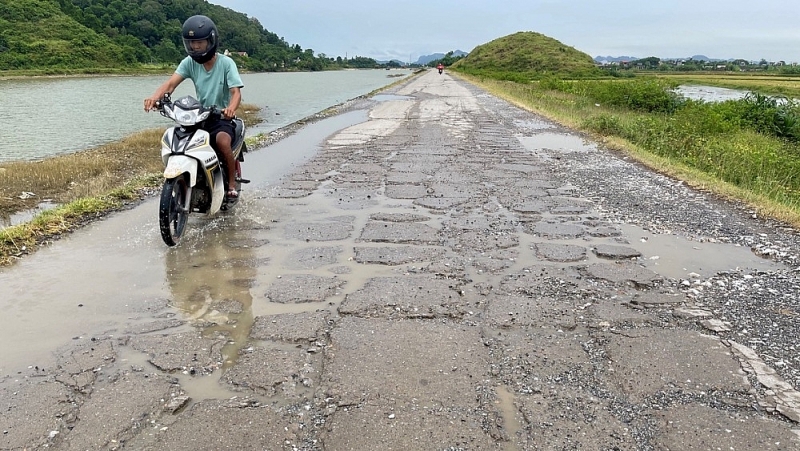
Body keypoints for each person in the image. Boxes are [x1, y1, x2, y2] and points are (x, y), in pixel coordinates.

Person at [144, 15, 244, 199]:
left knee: (222, 141)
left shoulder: (226, 63)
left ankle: (230, 184)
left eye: (199, 42)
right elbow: (170, 84)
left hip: (220, 118)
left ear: (211, 41)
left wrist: (230, 109)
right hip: (200, 116)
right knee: (182, 141)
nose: (195, 47)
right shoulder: (189, 62)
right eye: (191, 43)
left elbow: (236, 92)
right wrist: (154, 97)